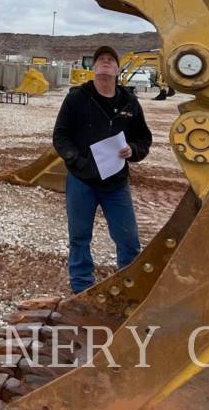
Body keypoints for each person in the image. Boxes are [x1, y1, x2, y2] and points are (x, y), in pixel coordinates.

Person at [51, 45, 153, 292]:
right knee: (79, 237)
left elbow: (144, 138)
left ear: (118, 69)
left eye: (111, 59)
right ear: (94, 67)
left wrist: (133, 150)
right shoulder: (77, 98)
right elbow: (60, 135)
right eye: (101, 59)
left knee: (128, 240)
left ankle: (129, 288)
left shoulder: (129, 102)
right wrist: (76, 159)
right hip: (82, 180)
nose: (105, 62)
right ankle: (82, 288)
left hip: (116, 183)